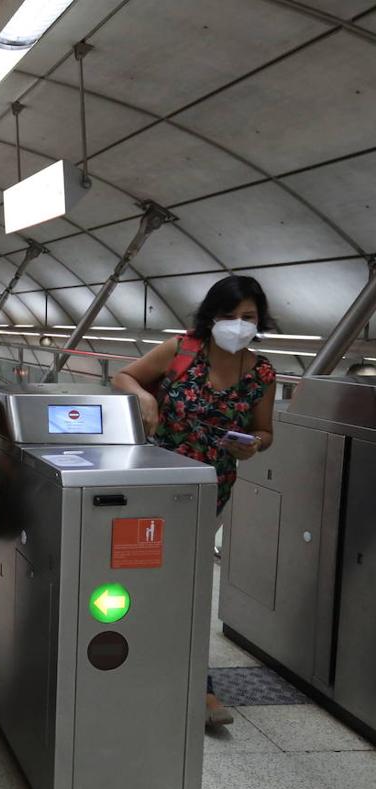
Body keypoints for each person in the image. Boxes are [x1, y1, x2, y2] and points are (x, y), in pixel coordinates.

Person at [113, 274, 277, 728]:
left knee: (188, 583)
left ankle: (195, 684)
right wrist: (145, 396)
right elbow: (122, 375)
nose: (238, 325)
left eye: (248, 317)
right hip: (154, 483)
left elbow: (265, 431)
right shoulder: (181, 351)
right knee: (139, 575)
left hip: (210, 490)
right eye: (229, 316)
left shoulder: (261, 372)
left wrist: (254, 444)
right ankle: (132, 662)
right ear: (211, 317)